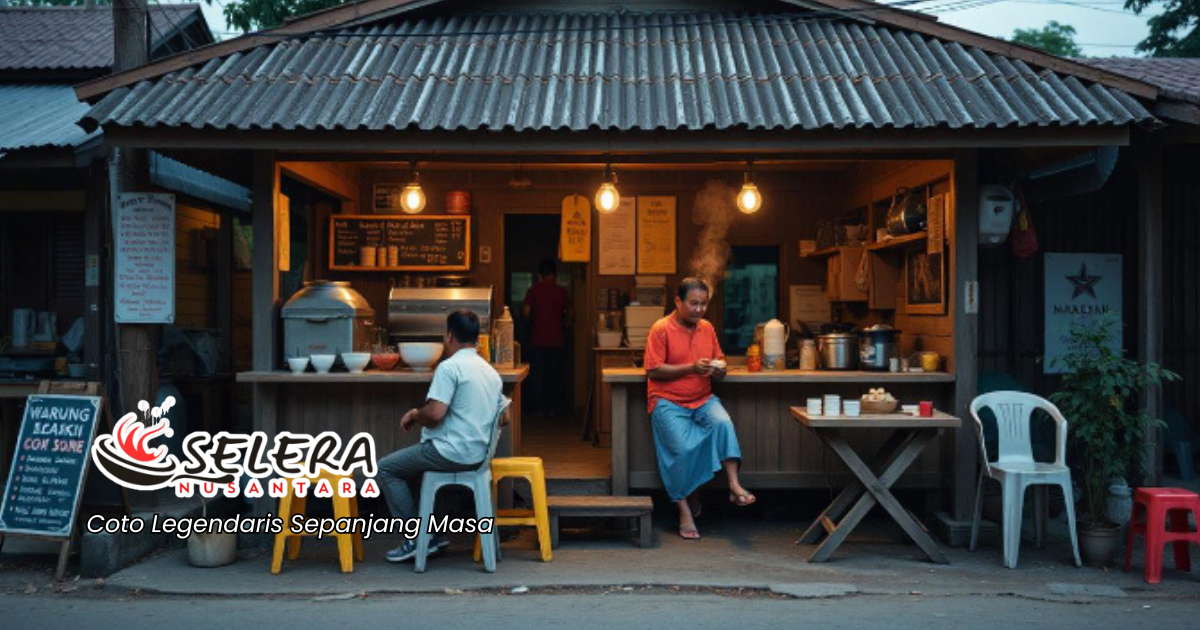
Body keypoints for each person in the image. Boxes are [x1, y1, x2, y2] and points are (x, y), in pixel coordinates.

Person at [377, 309, 504, 563]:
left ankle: (416, 538)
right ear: (477, 338)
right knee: (414, 469)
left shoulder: (450, 367)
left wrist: (414, 414)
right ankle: (431, 535)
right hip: (479, 456)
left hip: (450, 452)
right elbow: (505, 418)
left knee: (386, 468)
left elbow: (435, 414)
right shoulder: (490, 371)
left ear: (448, 337)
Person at [644, 278, 755, 540]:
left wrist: (720, 370)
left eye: (703, 304)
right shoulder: (661, 329)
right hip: (667, 401)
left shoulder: (707, 328)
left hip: (703, 399)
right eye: (693, 303)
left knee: (723, 424)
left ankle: (733, 484)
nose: (699, 309)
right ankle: (684, 511)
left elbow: (721, 363)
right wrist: (692, 367)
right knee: (682, 450)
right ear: (678, 301)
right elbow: (653, 369)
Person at [522, 258, 572, 417]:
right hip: (558, 340)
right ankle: (555, 408)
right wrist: (566, 325)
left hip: (537, 340)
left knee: (538, 375)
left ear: (540, 275)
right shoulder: (562, 291)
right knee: (556, 376)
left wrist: (529, 324)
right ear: (555, 275)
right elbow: (572, 312)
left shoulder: (533, 290)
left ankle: (539, 409)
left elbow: (526, 312)